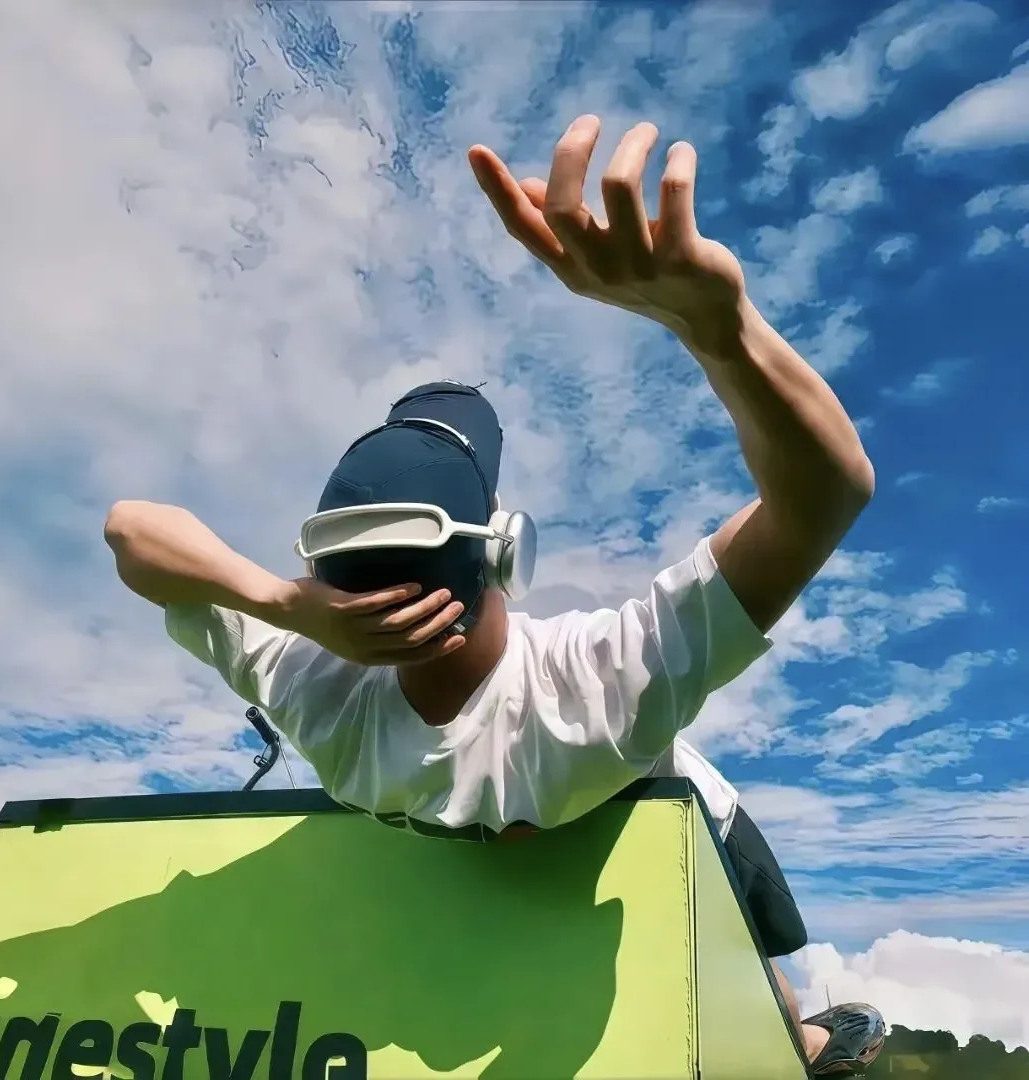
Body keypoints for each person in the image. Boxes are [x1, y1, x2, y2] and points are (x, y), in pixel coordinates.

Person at [104, 115, 884, 1073]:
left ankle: (804, 1037)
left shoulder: (563, 684)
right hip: (549, 802)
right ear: (507, 553)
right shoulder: (554, 687)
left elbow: (129, 532)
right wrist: (714, 333)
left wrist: (271, 603)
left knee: (749, 982)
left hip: (674, 803)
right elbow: (822, 497)